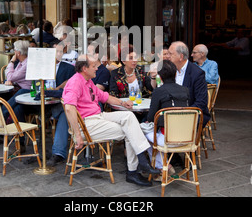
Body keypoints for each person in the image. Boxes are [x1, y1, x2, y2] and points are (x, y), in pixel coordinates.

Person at [62, 55, 161, 187]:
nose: (97, 68)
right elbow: (69, 108)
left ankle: (141, 163)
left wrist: (122, 102)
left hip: (98, 116)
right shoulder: (75, 82)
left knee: (129, 117)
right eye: (94, 66)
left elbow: (105, 96)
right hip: (86, 124)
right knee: (130, 130)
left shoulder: (87, 81)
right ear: (84, 68)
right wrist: (78, 135)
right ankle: (134, 170)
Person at [145, 60, 189, 176]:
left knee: (143, 132)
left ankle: (162, 167)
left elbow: (150, 117)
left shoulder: (159, 91)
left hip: (168, 140)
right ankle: (164, 165)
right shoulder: (185, 90)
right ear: (175, 74)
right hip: (187, 138)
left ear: (159, 76)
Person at [168, 41, 210, 127]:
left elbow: (201, 102)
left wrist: (182, 113)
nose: (167, 57)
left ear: (181, 57)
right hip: (170, 113)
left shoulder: (197, 74)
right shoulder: (169, 70)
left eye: (170, 54)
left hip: (191, 114)